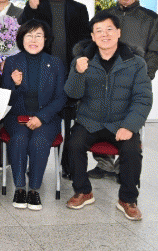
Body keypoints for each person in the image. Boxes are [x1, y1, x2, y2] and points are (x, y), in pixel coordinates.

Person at [65, 12, 152, 221]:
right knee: (74, 144)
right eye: (99, 31)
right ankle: (83, 191)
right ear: (93, 36)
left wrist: (129, 126)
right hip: (89, 120)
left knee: (132, 150)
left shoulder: (136, 63)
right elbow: (72, 94)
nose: (105, 35)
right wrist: (78, 73)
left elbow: (143, 99)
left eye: (109, 29)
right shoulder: (82, 60)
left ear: (119, 32)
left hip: (121, 123)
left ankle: (128, 199)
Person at [19, 0, 89, 179]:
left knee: (70, 122)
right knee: (36, 118)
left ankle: (68, 166)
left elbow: (85, 41)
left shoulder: (79, 9)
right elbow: (23, 30)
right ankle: (34, 163)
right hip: (40, 72)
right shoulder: (36, 5)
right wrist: (30, 7)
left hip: (69, 73)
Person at [88, 0, 158, 181]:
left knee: (130, 123)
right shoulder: (104, 15)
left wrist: (145, 75)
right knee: (102, 119)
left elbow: (154, 52)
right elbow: (93, 47)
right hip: (105, 79)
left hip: (135, 81)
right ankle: (104, 164)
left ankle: (123, 167)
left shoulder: (151, 18)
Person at [1, 20, 66, 210]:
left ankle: (34, 190)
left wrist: (41, 117)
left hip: (47, 118)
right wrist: (16, 85)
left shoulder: (55, 63)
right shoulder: (12, 62)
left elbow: (61, 97)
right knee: (19, 139)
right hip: (17, 116)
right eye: (29, 35)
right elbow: (5, 97)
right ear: (21, 39)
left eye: (38, 36)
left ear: (46, 39)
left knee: (39, 141)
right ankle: (20, 188)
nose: (33, 40)